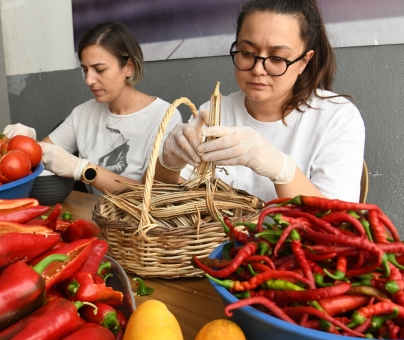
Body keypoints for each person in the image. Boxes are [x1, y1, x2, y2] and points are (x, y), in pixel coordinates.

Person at [155, 0, 365, 203]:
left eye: (277, 58)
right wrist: (168, 164)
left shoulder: (336, 117)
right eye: (247, 53)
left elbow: (340, 225)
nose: (257, 69)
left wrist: (282, 170)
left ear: (304, 61)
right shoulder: (214, 112)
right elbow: (162, 200)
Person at [4, 22, 182, 195]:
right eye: (85, 70)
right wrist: (23, 144)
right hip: (92, 214)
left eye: (99, 70)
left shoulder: (164, 117)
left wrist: (84, 170)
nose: (89, 80)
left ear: (128, 67)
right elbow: (38, 156)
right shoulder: (83, 113)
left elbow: (152, 195)